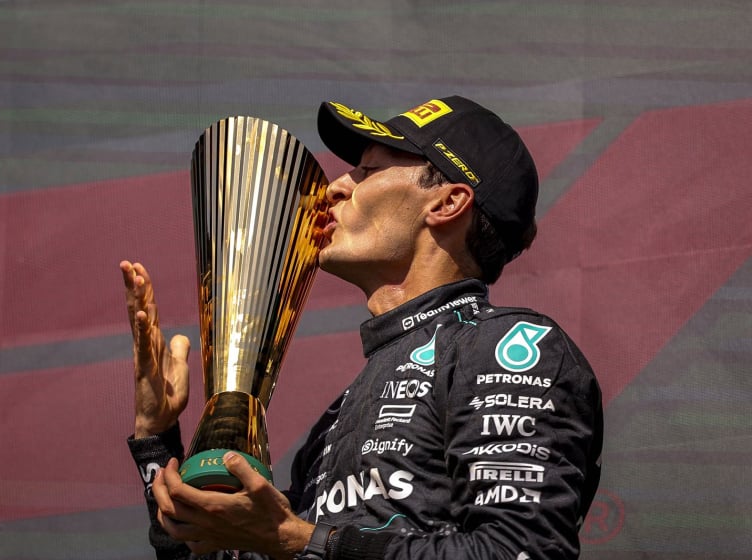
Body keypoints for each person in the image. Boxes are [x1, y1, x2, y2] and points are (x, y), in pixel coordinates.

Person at [122, 96, 603, 560]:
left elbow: (519, 551)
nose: (336, 186)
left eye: (368, 171)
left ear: (448, 202)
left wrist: (301, 541)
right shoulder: (335, 420)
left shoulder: (506, 347)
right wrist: (157, 436)